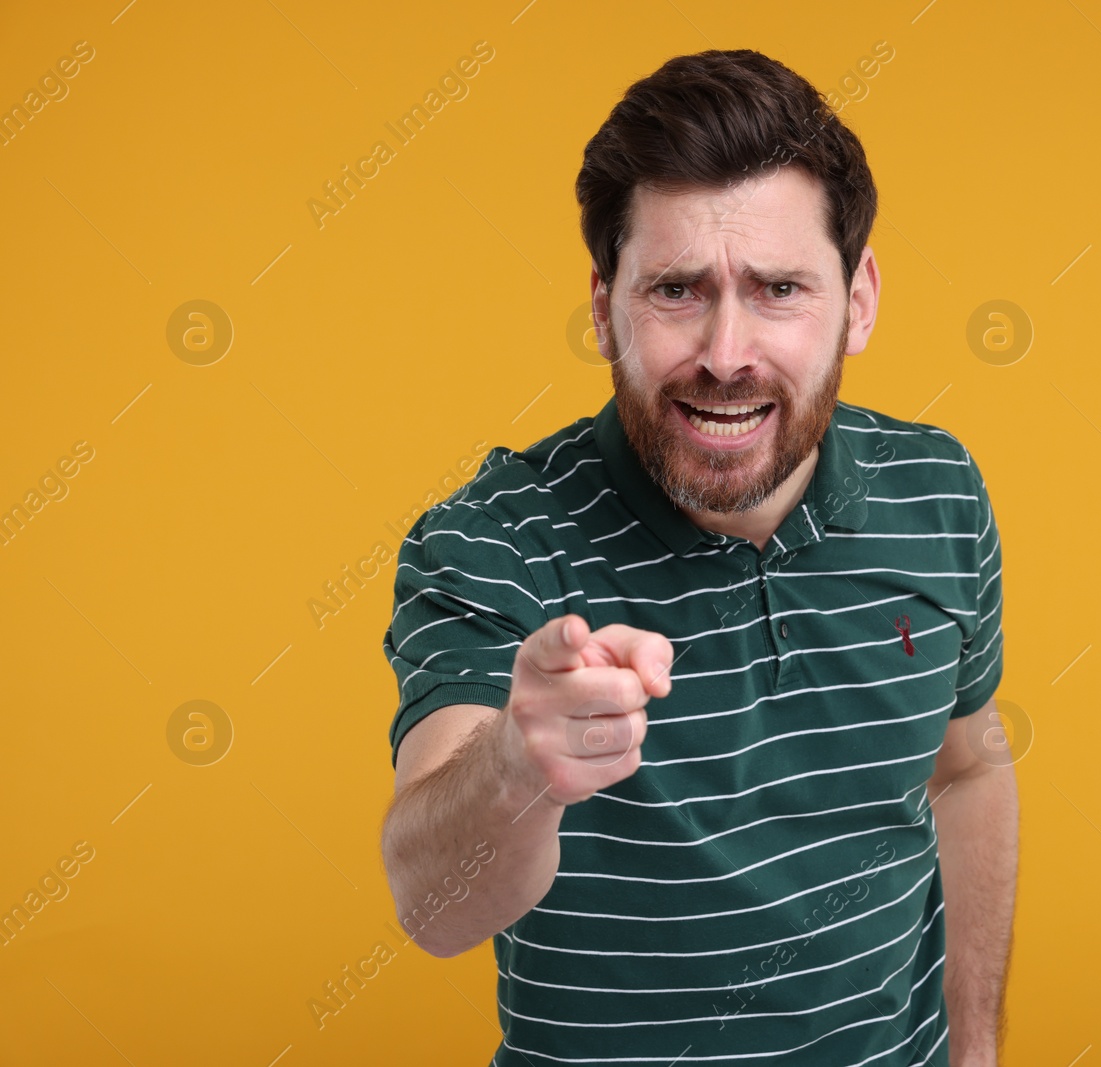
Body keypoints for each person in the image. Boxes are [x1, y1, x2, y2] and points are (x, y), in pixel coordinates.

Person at [379, 48, 1017, 1067]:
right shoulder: (494, 536)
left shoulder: (938, 491)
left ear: (857, 300)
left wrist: (975, 1046)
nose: (725, 352)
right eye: (676, 289)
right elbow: (433, 907)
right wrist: (516, 765)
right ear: (603, 307)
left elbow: (966, 768)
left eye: (777, 289)